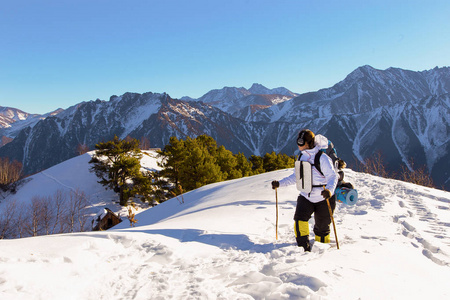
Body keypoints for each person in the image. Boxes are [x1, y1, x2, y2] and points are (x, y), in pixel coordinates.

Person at [271, 129, 338, 252]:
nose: (299, 145)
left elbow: (333, 176)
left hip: (323, 197)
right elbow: (296, 177)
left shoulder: (322, 158)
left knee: (322, 227)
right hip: (306, 195)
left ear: (309, 143)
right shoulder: (302, 157)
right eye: (298, 142)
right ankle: (302, 249)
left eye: (302, 142)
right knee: (299, 220)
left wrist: (329, 190)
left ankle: (321, 251)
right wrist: (280, 183)